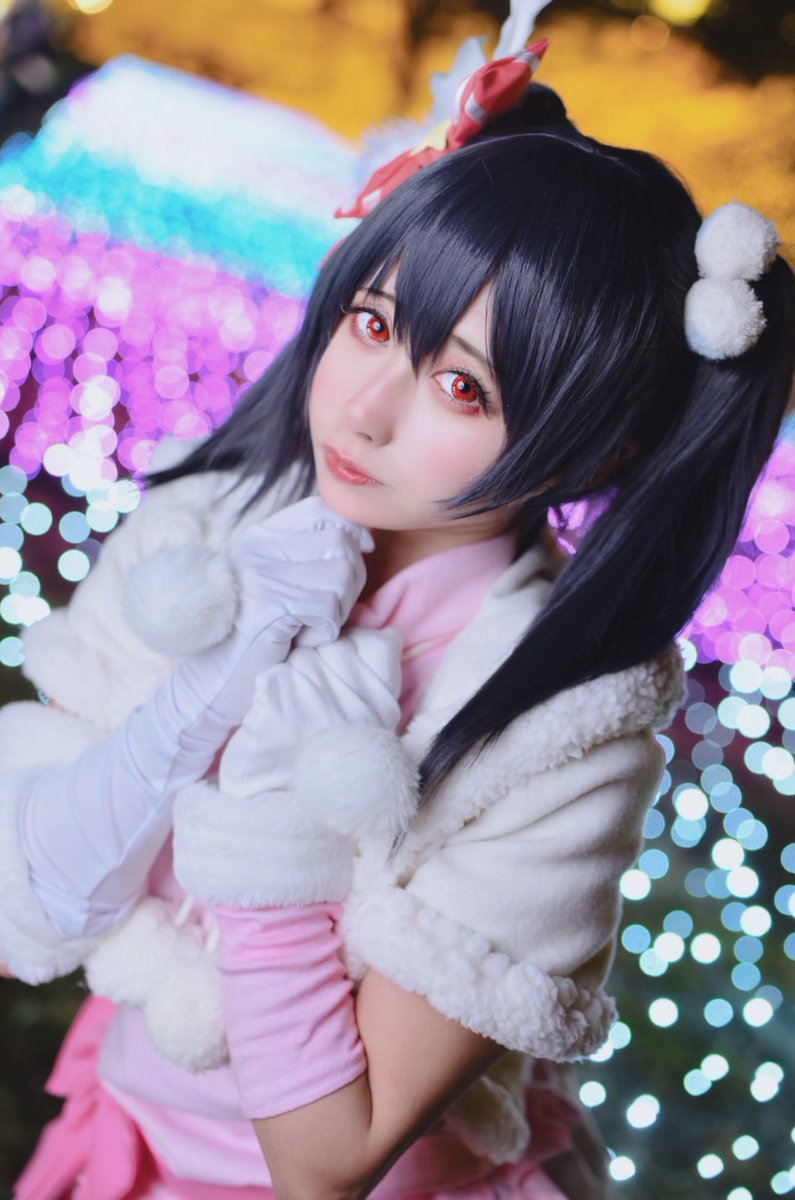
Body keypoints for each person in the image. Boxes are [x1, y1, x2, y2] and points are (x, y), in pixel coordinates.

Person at [1, 36, 794, 1200]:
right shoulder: (209, 528)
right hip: (128, 1144)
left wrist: (268, 813)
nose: (365, 412)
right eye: (374, 323)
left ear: (594, 451)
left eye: (462, 386)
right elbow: (24, 894)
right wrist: (195, 707)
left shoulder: (566, 731)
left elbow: (328, 1158)